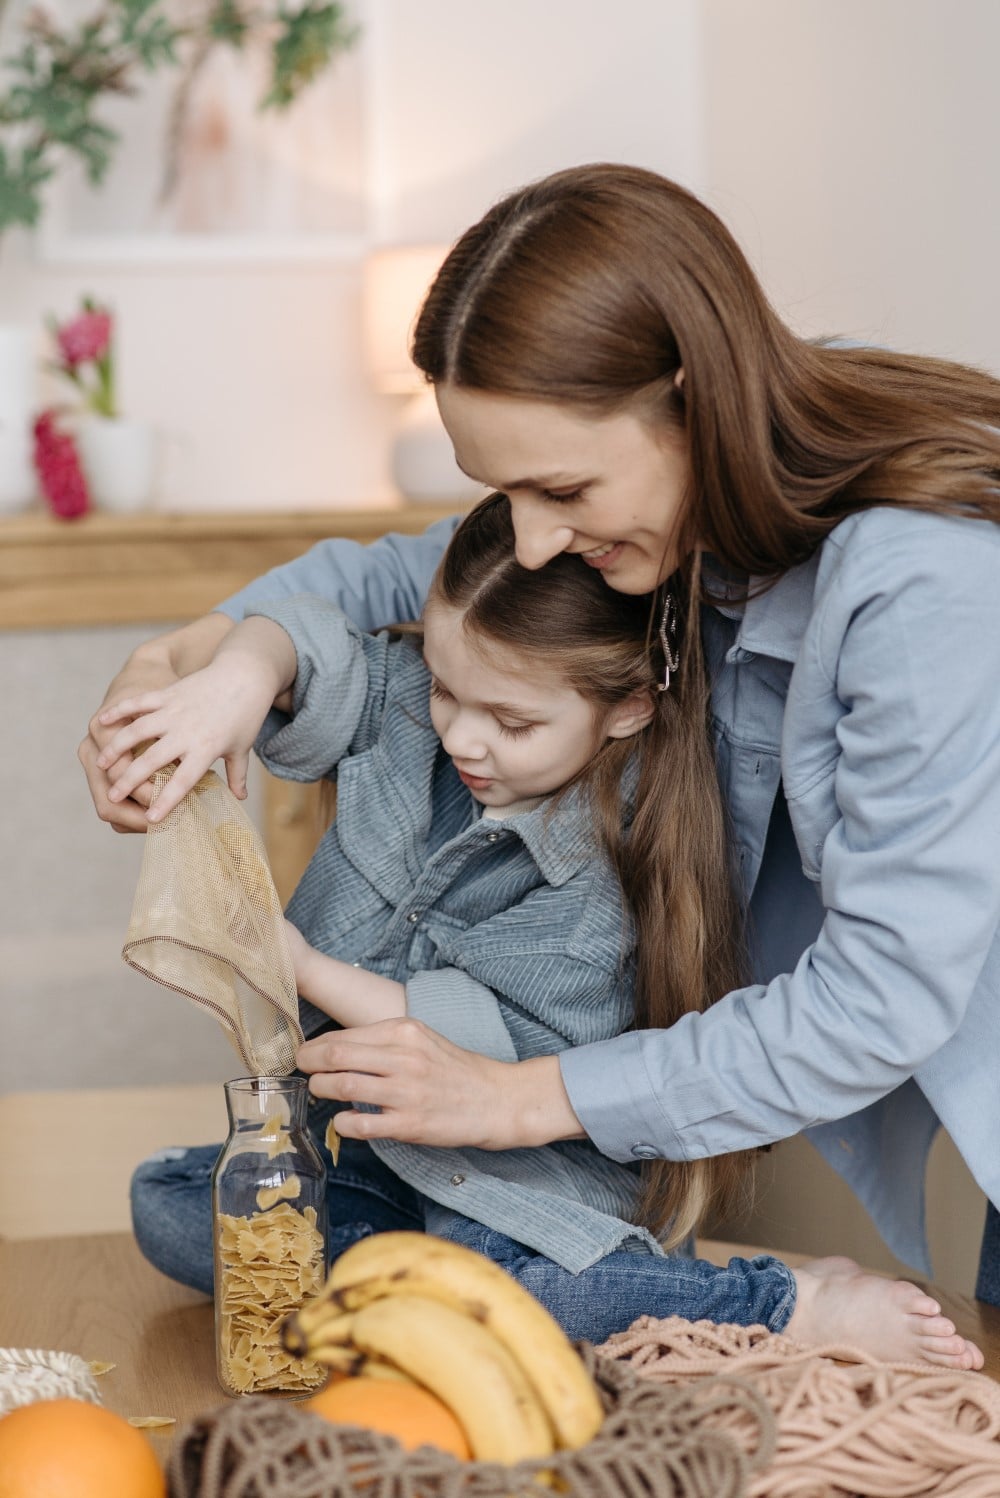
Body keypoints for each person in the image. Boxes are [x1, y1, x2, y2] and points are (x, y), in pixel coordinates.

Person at [81, 162, 1000, 1348]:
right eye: (501, 490)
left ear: (688, 399)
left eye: (556, 486)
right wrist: (211, 671)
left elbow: (877, 1001)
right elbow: (393, 575)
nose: (529, 537)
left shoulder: (919, 583)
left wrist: (511, 1098)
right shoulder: (676, 516)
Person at [101, 492, 977, 1364]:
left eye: (513, 722)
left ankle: (782, 1304)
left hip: (526, 1191)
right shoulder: (417, 704)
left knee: (527, 1285)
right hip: (382, 1168)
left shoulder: (612, 861)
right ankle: (422, 1292)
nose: (464, 742)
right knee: (170, 1199)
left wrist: (294, 964)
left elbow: (478, 1049)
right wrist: (241, 674)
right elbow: (307, 634)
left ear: (630, 705)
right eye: (447, 691)